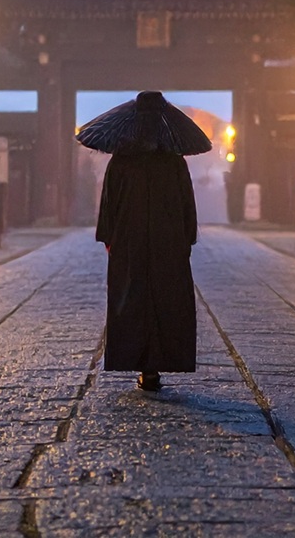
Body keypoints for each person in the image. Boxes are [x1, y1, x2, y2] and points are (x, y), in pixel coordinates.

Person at [81, 90, 209, 392]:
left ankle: (140, 363)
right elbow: (186, 206)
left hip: (128, 239)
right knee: (166, 300)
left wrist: (109, 239)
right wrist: (186, 238)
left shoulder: (122, 161)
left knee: (131, 300)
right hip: (169, 241)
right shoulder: (175, 163)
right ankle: (156, 366)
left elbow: (109, 205)